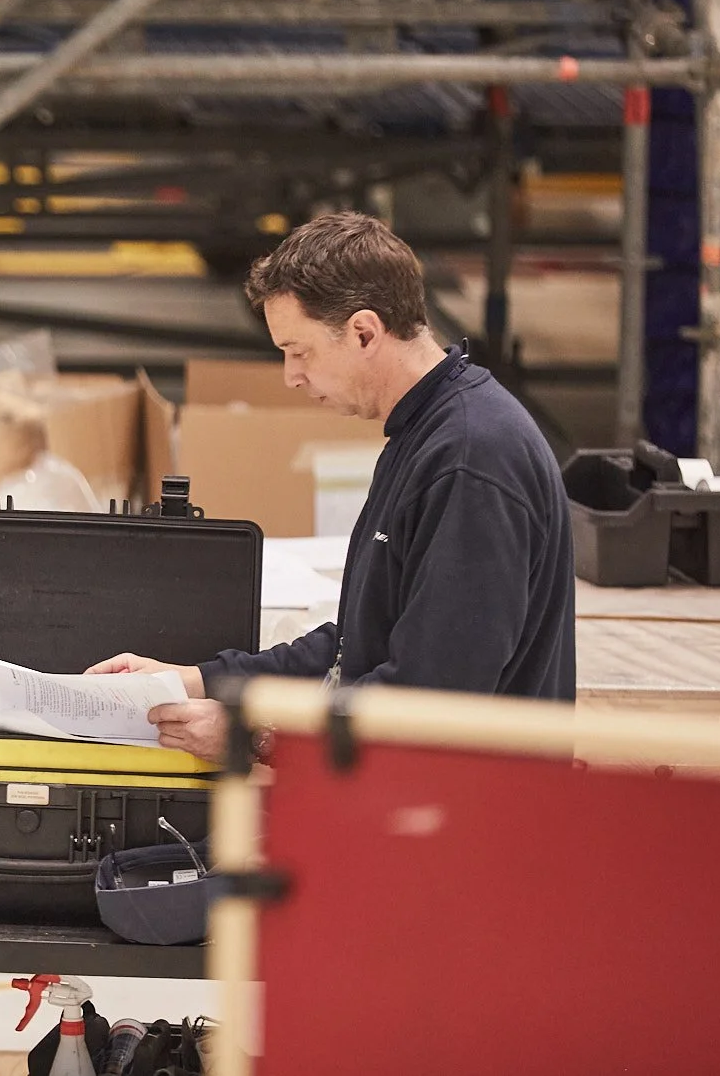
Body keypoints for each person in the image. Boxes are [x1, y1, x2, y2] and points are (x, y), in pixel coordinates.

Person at [93, 211, 575, 761]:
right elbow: (353, 647)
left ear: (364, 332)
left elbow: (434, 701)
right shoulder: (425, 431)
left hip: (459, 825)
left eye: (299, 352)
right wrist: (193, 680)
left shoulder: (470, 461)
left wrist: (255, 737)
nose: (291, 376)